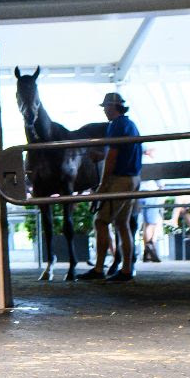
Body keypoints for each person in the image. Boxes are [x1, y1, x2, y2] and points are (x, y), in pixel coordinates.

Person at [79, 92, 142, 283]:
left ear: (112, 107)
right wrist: (101, 156)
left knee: (101, 221)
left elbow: (114, 155)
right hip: (132, 178)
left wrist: (103, 184)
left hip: (119, 180)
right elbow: (120, 152)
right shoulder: (129, 125)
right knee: (122, 224)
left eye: (106, 107)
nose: (105, 111)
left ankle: (99, 268)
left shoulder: (116, 125)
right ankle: (126, 269)